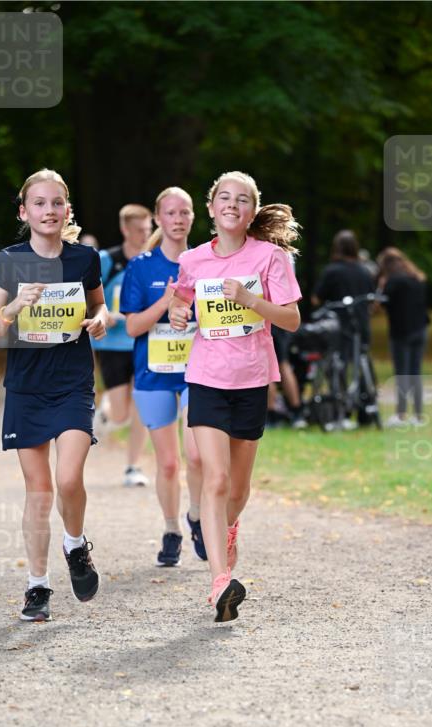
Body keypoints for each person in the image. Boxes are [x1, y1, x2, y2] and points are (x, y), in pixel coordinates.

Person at [169, 170, 301, 622]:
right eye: (224, 197)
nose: (232, 204)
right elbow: (181, 300)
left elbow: (291, 319)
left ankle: (227, 529)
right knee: (216, 478)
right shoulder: (193, 260)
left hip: (251, 379)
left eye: (242, 199)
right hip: (207, 377)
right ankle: (220, 582)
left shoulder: (270, 257)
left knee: (238, 489)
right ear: (211, 208)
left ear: (251, 211)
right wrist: (179, 313)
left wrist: (250, 300)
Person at [0, 167, 107, 623]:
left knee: (68, 479)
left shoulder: (85, 258)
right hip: (27, 387)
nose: (49, 210)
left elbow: (99, 304)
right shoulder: (9, 261)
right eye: (39, 203)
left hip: (72, 382)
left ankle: (75, 545)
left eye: (57, 203)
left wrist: (100, 319)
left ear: (67, 210)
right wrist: (15, 306)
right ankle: (37, 586)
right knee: (38, 491)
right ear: (24, 212)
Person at [120, 186, 205, 567]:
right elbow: (133, 327)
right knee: (169, 463)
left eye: (184, 212)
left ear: (193, 217)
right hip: (153, 374)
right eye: (170, 213)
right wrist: (166, 301)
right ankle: (172, 530)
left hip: (197, 372)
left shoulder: (205, 262)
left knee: (197, 455)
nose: (178, 219)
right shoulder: (141, 266)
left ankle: (197, 517)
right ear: (158, 218)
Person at [95, 204, 152, 487]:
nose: (145, 235)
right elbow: (90, 299)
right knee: (122, 414)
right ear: (125, 230)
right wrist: (106, 315)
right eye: (139, 230)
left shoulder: (154, 261)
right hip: (112, 344)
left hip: (145, 342)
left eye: (148, 230)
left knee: (143, 404)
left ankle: (133, 467)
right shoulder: (107, 260)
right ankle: (106, 412)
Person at [376, 247, 429, 427]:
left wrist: (381, 286)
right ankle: (418, 415)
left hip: (401, 332)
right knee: (415, 372)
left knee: (402, 373)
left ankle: (401, 414)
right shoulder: (416, 278)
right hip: (420, 329)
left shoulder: (393, 281)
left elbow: (380, 304)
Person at [313, 229, 374, 344]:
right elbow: (371, 300)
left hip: (336, 328)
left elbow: (316, 299)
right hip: (361, 325)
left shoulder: (331, 270)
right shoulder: (365, 271)